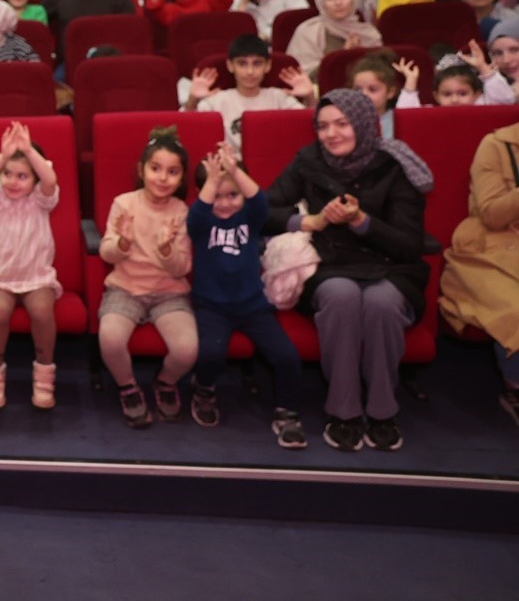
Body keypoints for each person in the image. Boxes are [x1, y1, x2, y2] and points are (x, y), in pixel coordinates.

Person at [265, 89, 431, 452]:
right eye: (322, 126)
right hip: (329, 266)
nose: (331, 134)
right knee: (341, 296)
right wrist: (309, 220)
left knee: (381, 303)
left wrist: (362, 221)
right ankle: (343, 411)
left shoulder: (395, 166)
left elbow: (409, 244)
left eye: (341, 124)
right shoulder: (308, 160)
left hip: (390, 267)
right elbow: (263, 210)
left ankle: (383, 411)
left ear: (362, 124)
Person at [187, 145, 306, 448]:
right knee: (210, 354)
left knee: (287, 356)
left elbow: (259, 201)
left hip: (253, 305)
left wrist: (235, 170)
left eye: (232, 195)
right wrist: (213, 179)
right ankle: (204, 389)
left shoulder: (251, 218)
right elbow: (196, 214)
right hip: (211, 306)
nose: (225, 203)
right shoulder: (201, 223)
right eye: (217, 196)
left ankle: (287, 412)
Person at [98, 127, 197, 429]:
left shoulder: (181, 211)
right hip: (126, 288)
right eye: (155, 169)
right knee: (110, 338)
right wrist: (123, 243)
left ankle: (165, 382)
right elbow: (106, 252)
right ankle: (128, 386)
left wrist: (167, 250)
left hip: (169, 292)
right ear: (141, 171)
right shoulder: (124, 203)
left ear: (181, 178)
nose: (162, 178)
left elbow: (182, 269)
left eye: (172, 172)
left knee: (187, 350)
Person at [0, 123, 60, 411]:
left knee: (43, 311)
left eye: (22, 176)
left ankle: (44, 372)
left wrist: (29, 151)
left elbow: (50, 179)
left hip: (35, 275)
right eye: (8, 174)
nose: (13, 181)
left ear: (33, 178)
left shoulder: (41, 200)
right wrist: (2, 156)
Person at [441, 117, 519, 425]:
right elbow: (492, 214)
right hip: (489, 250)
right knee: (513, 308)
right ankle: (515, 387)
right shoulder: (497, 145)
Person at [186, 34, 315, 149]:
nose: (250, 72)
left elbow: (310, 126)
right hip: (230, 167)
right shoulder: (217, 101)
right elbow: (185, 130)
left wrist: (310, 97)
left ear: (268, 65)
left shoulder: (279, 97)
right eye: (242, 64)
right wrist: (192, 100)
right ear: (230, 66)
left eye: (257, 64)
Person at [285, 0, 383, 83]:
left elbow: (381, 72)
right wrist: (342, 56)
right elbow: (302, 76)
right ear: (321, 2)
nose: (338, 2)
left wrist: (359, 54)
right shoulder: (307, 31)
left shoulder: (368, 32)